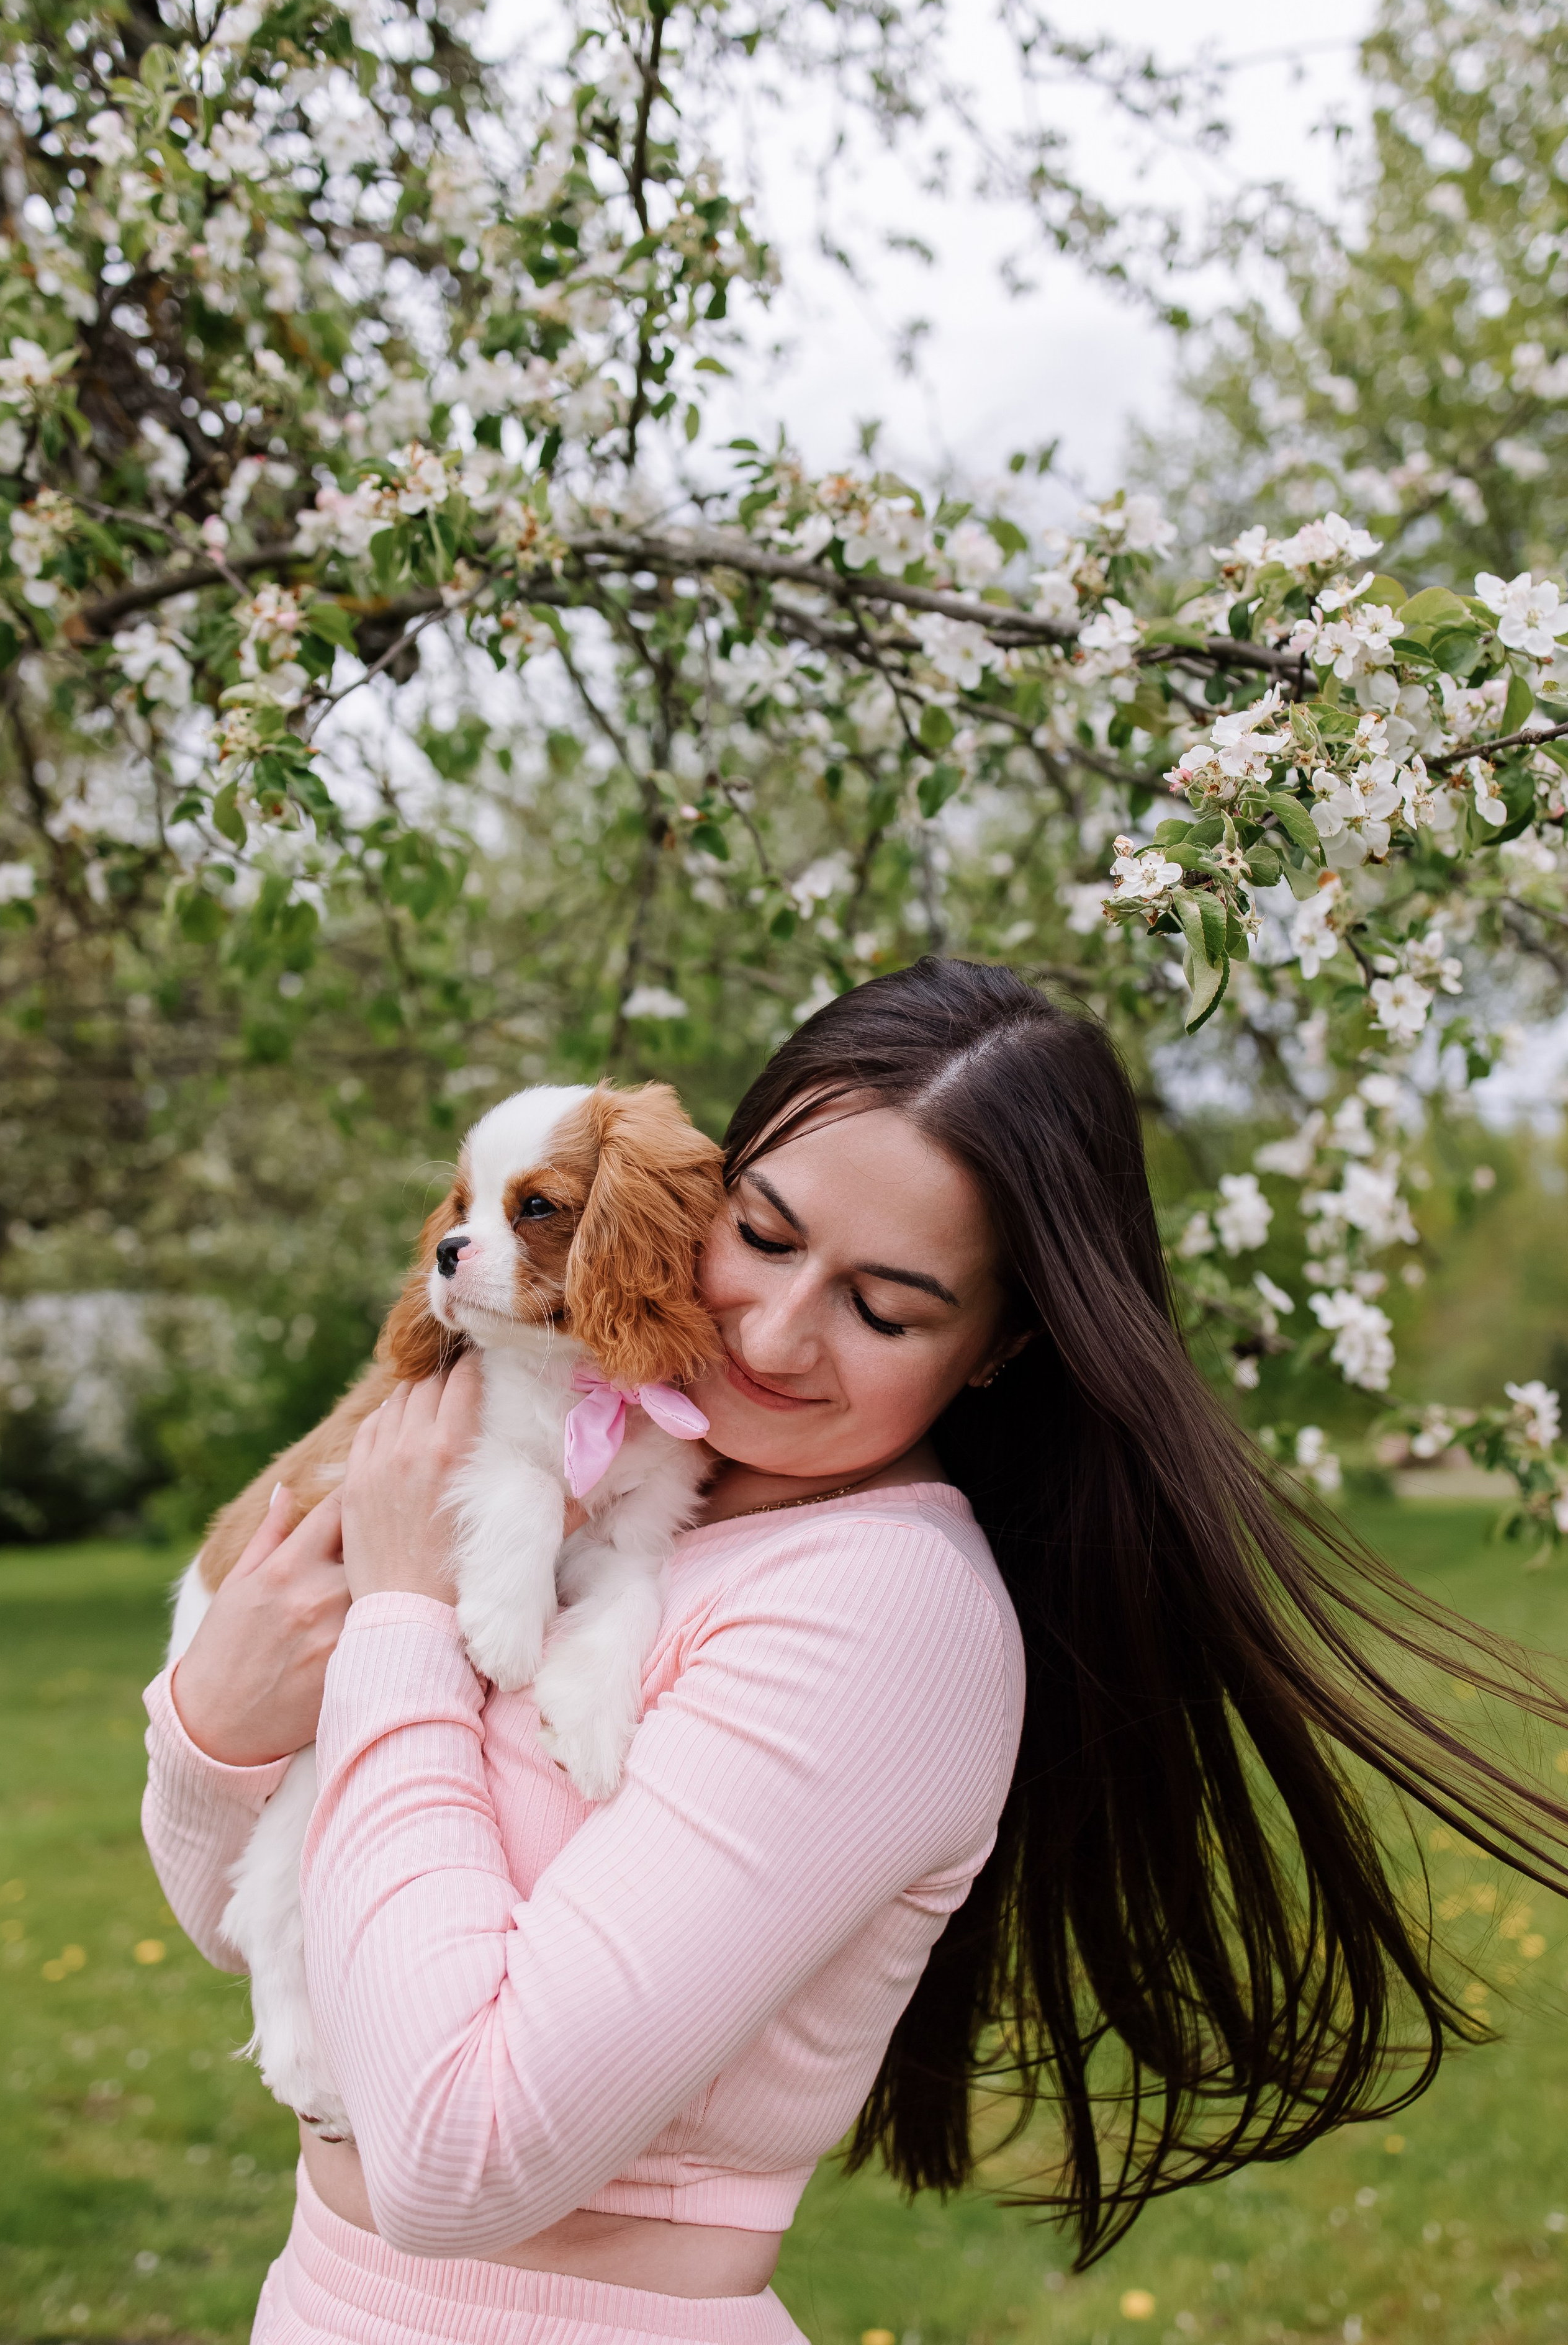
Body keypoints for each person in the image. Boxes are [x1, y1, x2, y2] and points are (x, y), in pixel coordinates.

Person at [143, 956, 1568, 2345]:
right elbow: (274, 1944)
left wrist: (396, 1610)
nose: (767, 1330)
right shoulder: (621, 1484)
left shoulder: (883, 1618)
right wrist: (216, 1726)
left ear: (1000, 1346)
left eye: (884, 1308)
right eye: (759, 1237)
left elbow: (457, 2158)